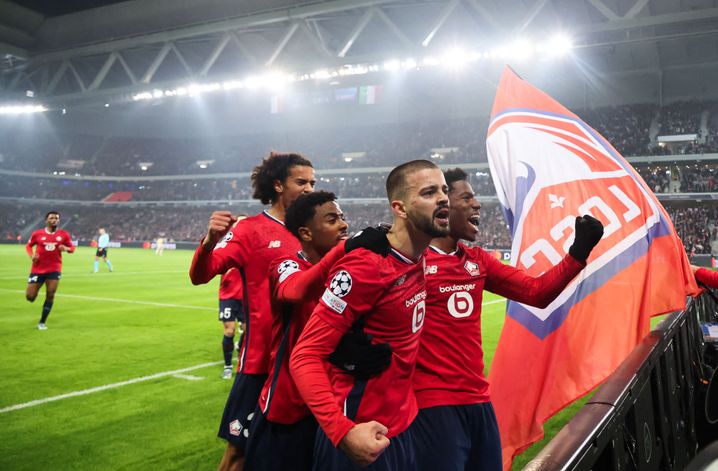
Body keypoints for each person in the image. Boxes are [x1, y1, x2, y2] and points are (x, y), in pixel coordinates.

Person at [408, 168, 603, 471]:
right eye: (467, 197)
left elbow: (536, 292)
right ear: (444, 205)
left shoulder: (478, 260)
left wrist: (578, 251)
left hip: (480, 400)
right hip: (434, 404)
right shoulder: (408, 261)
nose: (477, 204)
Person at [290, 160, 450, 470]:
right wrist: (343, 432)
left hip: (402, 427)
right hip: (360, 433)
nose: (443, 197)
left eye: (443, 190)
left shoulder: (418, 256)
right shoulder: (366, 267)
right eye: (429, 192)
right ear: (400, 208)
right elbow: (305, 355)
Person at [189, 152, 316, 471]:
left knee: (299, 455)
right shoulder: (251, 230)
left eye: (313, 182)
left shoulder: (313, 230)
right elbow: (202, 274)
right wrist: (209, 242)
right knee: (238, 455)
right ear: (277, 185)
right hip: (261, 363)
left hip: (308, 362)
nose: (310, 188)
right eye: (301, 182)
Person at [25, 211, 75, 330]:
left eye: (57, 218)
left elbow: (72, 248)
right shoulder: (37, 233)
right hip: (37, 269)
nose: (55, 220)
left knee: (50, 294)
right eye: (52, 218)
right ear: (46, 220)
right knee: (30, 297)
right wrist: (32, 255)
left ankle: (42, 322)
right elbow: (28, 246)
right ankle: (34, 295)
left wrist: (66, 248)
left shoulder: (64, 234)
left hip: (54, 269)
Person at [219, 267, 245, 380]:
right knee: (229, 331)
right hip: (227, 297)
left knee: (248, 330)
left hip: (245, 296)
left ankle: (240, 345)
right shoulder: (228, 252)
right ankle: (228, 366)